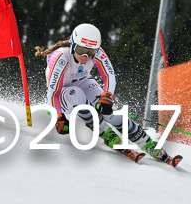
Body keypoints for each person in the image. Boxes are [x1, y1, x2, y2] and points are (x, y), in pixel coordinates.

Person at [35, 23, 166, 160]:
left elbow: (109, 76)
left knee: (111, 114)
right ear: (72, 44)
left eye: (90, 52)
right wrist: (59, 117)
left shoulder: (98, 52)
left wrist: (107, 97)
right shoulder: (60, 57)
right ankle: (106, 134)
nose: (85, 56)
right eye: (80, 50)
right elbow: (53, 92)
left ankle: (147, 143)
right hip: (62, 93)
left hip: (84, 81)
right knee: (76, 94)